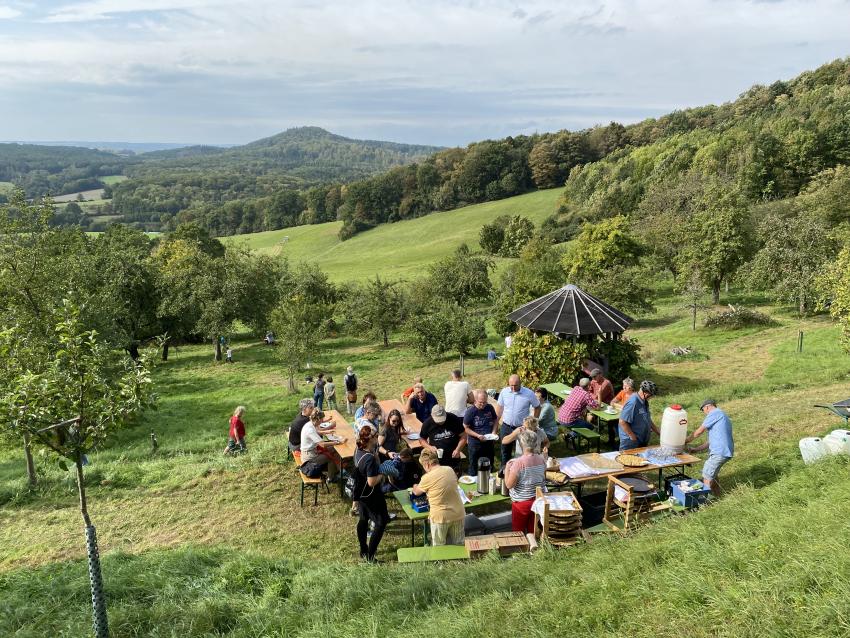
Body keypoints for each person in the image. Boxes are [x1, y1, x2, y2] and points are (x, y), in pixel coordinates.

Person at [412, 448, 466, 546]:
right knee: (459, 545)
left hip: (440, 517)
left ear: (427, 465)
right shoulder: (449, 469)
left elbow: (416, 492)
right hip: (458, 513)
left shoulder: (426, 478)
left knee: (439, 547)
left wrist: (414, 486)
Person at [352, 427, 390, 562]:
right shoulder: (369, 459)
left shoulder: (359, 450)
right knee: (381, 522)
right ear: (371, 439)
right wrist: (383, 473)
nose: (378, 437)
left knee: (363, 520)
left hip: (361, 494)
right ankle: (370, 556)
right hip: (371, 495)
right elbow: (372, 482)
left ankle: (363, 549)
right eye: (376, 436)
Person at [685, 399, 734, 494]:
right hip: (723, 451)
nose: (704, 413)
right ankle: (717, 494)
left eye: (703, 410)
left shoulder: (715, 413)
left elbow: (699, 431)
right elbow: (710, 442)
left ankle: (704, 500)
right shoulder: (721, 416)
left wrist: (685, 441)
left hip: (720, 452)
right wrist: (695, 449)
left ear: (707, 407)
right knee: (713, 475)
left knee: (706, 476)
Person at [504, 430, 547, 533]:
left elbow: (509, 485)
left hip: (522, 503)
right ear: (536, 444)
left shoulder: (518, 463)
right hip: (537, 501)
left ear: (521, 444)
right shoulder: (541, 460)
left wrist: (507, 469)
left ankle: (521, 548)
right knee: (533, 530)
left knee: (518, 532)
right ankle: (533, 547)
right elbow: (543, 479)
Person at [496, 375, 540, 471]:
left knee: (523, 451)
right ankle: (504, 471)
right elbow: (499, 409)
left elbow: (537, 407)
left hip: (522, 428)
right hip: (506, 426)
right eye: (511, 385)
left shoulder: (529, 393)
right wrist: (495, 426)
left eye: (515, 385)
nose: (513, 388)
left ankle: (523, 470)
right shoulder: (504, 392)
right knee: (505, 451)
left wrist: (533, 422)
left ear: (520, 383)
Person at [420, 405, 467, 474]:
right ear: (432, 415)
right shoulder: (427, 423)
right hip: (435, 461)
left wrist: (458, 449)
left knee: (455, 479)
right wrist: (430, 447)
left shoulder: (453, 419)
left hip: (453, 458)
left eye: (442, 419)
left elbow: (464, 435)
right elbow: (421, 439)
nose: (440, 422)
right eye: (438, 420)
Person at [463, 389, 499, 477]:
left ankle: (489, 481)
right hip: (475, 444)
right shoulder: (470, 411)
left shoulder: (489, 407)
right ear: (475, 400)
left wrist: (494, 431)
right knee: (474, 465)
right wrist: (478, 435)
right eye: (480, 402)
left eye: (484, 402)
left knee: (489, 463)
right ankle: (473, 482)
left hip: (489, 441)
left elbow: (495, 420)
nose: (482, 405)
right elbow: (466, 428)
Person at [300, 410, 343, 480]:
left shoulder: (310, 424)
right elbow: (322, 444)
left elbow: (317, 432)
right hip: (309, 457)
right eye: (322, 419)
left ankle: (338, 469)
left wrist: (327, 431)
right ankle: (331, 478)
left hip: (311, 451)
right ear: (318, 419)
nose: (322, 421)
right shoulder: (310, 429)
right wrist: (337, 442)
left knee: (333, 448)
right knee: (330, 457)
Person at [618, 380, 660, 452]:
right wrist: (632, 436)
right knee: (627, 461)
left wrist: (658, 432)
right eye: (651, 395)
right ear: (645, 393)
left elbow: (647, 419)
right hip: (630, 442)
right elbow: (622, 421)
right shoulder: (633, 402)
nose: (651, 397)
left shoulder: (644, 401)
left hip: (641, 439)